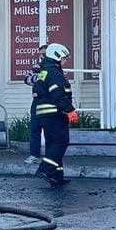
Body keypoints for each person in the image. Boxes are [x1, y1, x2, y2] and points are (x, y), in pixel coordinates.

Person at [32, 43, 75, 186]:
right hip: (54, 113)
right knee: (61, 141)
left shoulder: (46, 71)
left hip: (46, 114)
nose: (65, 61)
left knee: (53, 144)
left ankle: (57, 176)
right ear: (56, 56)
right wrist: (70, 110)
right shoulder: (53, 72)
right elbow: (58, 94)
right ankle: (45, 169)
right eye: (64, 58)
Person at [23, 44, 48, 165]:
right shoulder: (37, 66)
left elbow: (47, 82)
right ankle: (34, 155)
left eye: (44, 54)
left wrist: (39, 79)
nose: (41, 56)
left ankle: (50, 157)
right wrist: (38, 78)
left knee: (49, 130)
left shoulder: (53, 66)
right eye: (40, 54)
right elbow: (27, 79)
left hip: (48, 102)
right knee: (34, 129)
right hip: (36, 101)